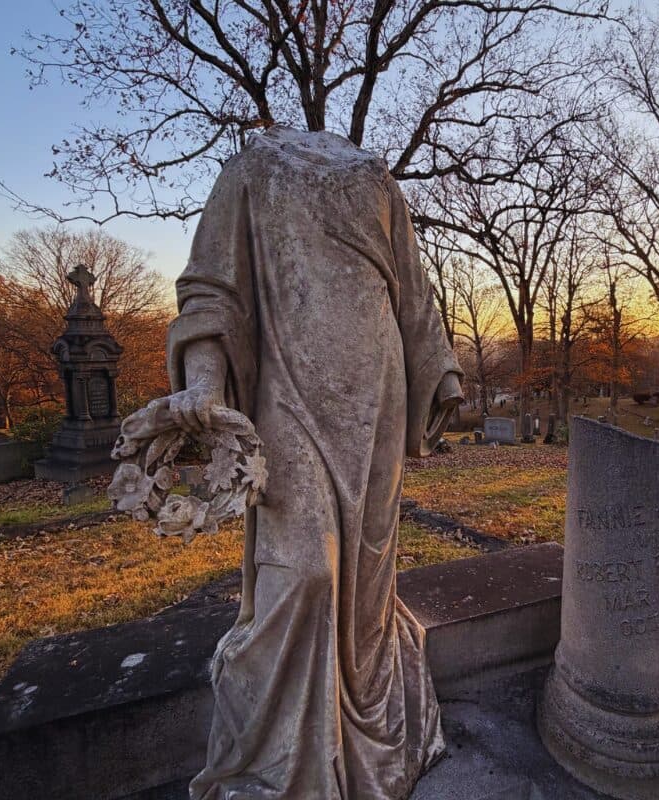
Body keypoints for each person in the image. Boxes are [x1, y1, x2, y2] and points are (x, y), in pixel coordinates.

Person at [165, 126, 462, 800]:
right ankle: (284, 761)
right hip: (289, 397)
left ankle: (359, 740)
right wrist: (205, 384)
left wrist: (440, 372)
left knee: (366, 594)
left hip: (376, 401)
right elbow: (211, 292)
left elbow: (411, 291)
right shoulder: (250, 168)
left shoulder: (377, 175)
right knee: (305, 573)